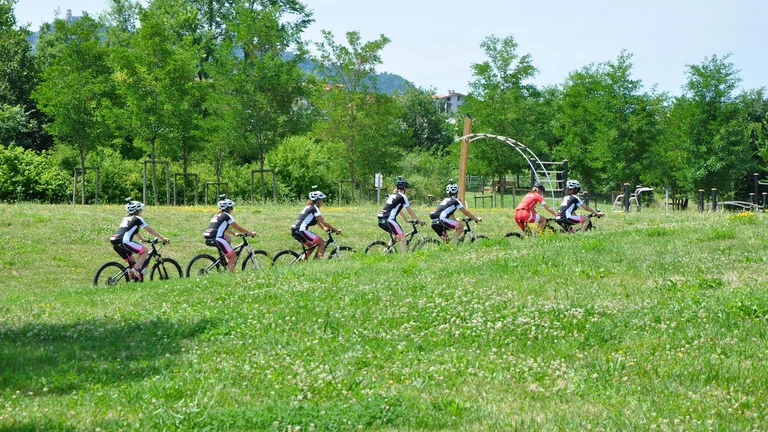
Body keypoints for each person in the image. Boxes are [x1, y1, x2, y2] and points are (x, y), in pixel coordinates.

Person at [110, 198, 169, 281]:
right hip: (125, 242)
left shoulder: (126, 218)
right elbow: (150, 230)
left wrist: (142, 239)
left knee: (132, 262)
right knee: (145, 251)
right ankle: (134, 271)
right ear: (138, 210)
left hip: (115, 241)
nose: (141, 212)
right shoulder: (137, 218)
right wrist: (163, 238)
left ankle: (132, 280)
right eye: (141, 210)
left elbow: (134, 231)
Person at [203, 197, 256, 272]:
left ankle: (223, 257)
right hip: (217, 237)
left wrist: (233, 233)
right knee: (233, 256)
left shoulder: (217, 215)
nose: (232, 209)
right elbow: (238, 227)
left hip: (208, 235)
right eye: (232, 207)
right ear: (228, 208)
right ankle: (230, 275)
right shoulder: (227, 216)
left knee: (228, 238)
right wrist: (250, 233)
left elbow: (223, 228)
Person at [290, 189, 341, 260]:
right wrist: (335, 230)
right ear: (318, 201)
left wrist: (323, 228)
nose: (322, 202)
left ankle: (301, 262)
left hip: (295, 230)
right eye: (322, 200)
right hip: (301, 230)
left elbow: (316, 220)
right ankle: (318, 263)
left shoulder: (308, 207)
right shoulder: (314, 208)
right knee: (322, 243)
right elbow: (324, 222)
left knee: (312, 246)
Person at [377, 176, 425, 252]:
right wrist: (419, 220)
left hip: (381, 219)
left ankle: (384, 252)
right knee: (403, 239)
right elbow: (410, 211)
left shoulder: (393, 195)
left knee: (395, 237)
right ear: (405, 188)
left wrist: (405, 218)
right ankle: (404, 258)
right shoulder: (403, 196)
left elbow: (397, 209)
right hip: (389, 219)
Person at [430, 180, 482, 244]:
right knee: (461, 227)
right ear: (456, 192)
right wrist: (477, 219)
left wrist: (455, 221)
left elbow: (451, 214)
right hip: (441, 220)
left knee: (446, 242)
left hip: (433, 222)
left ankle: (446, 248)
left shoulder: (445, 200)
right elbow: (466, 212)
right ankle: (453, 243)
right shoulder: (455, 201)